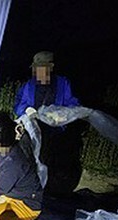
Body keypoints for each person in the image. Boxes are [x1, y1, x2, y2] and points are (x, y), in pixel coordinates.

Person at [14, 51, 86, 196]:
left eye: (41, 68)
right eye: (36, 68)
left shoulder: (63, 83)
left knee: (53, 160)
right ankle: (33, 187)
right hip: (34, 130)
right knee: (32, 158)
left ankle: (52, 190)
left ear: (51, 67)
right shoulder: (28, 85)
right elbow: (18, 104)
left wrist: (61, 113)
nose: (37, 72)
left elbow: (73, 104)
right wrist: (26, 110)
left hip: (56, 130)